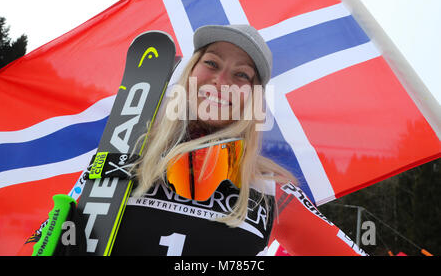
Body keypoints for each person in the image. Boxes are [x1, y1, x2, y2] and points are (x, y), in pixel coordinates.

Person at [20, 24, 366, 256]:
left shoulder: (270, 190)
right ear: (187, 75)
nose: (220, 81)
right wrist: (55, 240)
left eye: (242, 75)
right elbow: (40, 243)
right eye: (211, 63)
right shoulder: (121, 157)